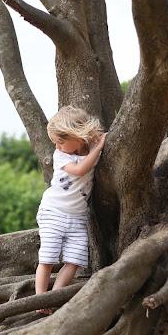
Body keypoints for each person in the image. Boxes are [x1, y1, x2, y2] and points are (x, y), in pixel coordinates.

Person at [35, 105, 107, 315]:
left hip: (77, 217)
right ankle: (40, 299)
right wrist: (98, 148)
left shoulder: (91, 148)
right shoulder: (62, 156)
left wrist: (97, 146)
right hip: (54, 211)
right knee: (47, 258)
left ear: (78, 137)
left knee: (75, 260)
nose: (56, 146)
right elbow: (80, 169)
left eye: (60, 141)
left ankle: (55, 295)